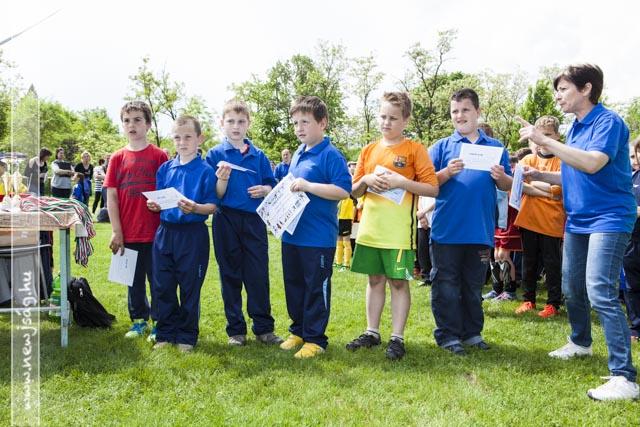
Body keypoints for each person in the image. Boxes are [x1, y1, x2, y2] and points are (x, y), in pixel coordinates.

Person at [516, 63, 638, 401]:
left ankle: (624, 377)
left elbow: (592, 163)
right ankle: (581, 342)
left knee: (600, 290)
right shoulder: (575, 128)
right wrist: (539, 176)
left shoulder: (609, 122)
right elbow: (574, 173)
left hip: (609, 217)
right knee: (571, 287)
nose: (558, 96)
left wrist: (543, 140)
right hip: (578, 219)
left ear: (586, 89)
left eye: (563, 89)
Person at [347, 91, 439, 361]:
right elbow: (353, 191)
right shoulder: (368, 150)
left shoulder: (415, 150)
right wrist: (366, 181)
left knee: (398, 282)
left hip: (399, 232)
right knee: (374, 279)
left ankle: (397, 337)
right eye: (383, 116)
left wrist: (402, 182)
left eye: (393, 118)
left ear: (406, 120)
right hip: (370, 229)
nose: (386, 122)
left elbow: (432, 188)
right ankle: (372, 332)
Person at [429, 88, 512, 356]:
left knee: (474, 285)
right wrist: (446, 172)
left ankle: (472, 333)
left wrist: (501, 177)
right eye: (454, 111)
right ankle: (448, 335)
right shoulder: (441, 147)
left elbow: (508, 185)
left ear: (478, 111)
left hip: (480, 231)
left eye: (465, 110)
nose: (459, 115)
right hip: (447, 231)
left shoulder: (495, 148)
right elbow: (426, 184)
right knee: (446, 285)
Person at [278, 95, 352, 359]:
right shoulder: (298, 153)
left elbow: (343, 190)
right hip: (292, 235)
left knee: (315, 288)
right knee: (294, 285)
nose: (299, 128)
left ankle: (315, 339)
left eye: (305, 122)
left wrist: (309, 186)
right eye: (295, 123)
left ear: (322, 123)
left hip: (318, 238)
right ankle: (298, 331)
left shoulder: (331, 155)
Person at [205, 99, 283, 347]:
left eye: (241, 121)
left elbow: (272, 185)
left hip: (254, 220)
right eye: (231, 121)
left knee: (258, 274)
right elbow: (214, 195)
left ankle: (264, 328)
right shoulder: (215, 154)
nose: (236, 126)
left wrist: (265, 189)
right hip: (225, 219)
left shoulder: (259, 156)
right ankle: (236, 330)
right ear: (222, 123)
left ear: (248, 124)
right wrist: (222, 180)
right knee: (229, 274)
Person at [147, 115, 217, 353]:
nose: (182, 142)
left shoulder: (206, 171)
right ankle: (166, 332)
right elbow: (159, 199)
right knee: (163, 285)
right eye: (177, 137)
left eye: (188, 137)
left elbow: (212, 206)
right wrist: (154, 205)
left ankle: (187, 334)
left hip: (192, 235)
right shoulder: (165, 169)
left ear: (200, 139)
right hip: (166, 233)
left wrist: (195, 208)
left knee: (189, 286)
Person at [104, 101, 169, 341]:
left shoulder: (159, 155)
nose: (132, 125)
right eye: (127, 121)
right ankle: (139, 320)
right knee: (133, 280)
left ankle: (159, 322)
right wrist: (116, 231)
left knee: (158, 279)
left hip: (156, 232)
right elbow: (111, 196)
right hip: (128, 232)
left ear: (148, 125)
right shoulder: (117, 158)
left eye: (137, 120)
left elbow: (167, 192)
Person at [514, 116, 565, 317]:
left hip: (552, 222)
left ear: (557, 135)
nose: (544, 138)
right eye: (541, 134)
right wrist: (548, 190)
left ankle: (553, 303)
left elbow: (559, 190)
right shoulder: (528, 160)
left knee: (552, 264)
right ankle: (529, 300)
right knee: (529, 263)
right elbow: (520, 186)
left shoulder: (562, 160)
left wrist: (537, 184)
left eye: (548, 134)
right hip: (528, 220)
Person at [484, 154, 523, 302]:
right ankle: (496, 289)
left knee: (504, 256)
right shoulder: (490, 174)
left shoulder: (514, 175)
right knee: (495, 256)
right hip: (496, 219)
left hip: (509, 219)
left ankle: (510, 291)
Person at [623, 136, 640, 343]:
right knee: (632, 285)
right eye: (634, 155)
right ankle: (636, 328)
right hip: (631, 238)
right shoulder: (630, 177)